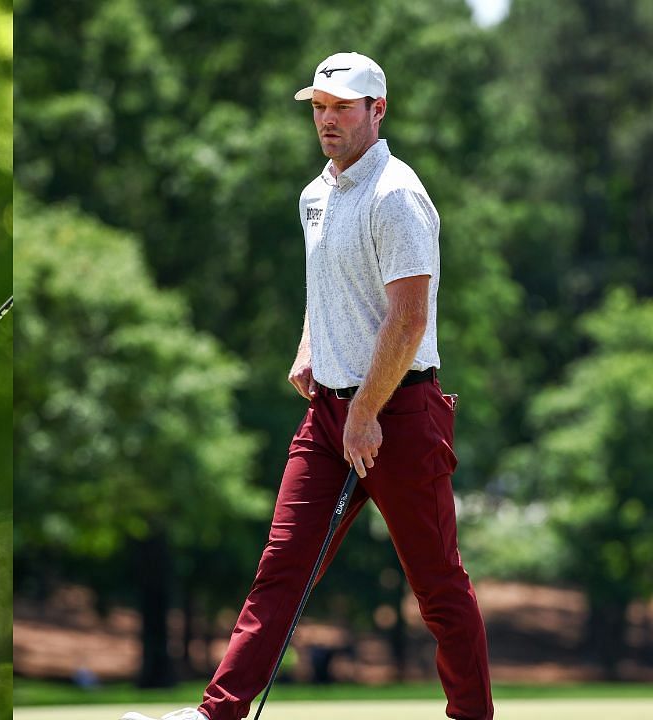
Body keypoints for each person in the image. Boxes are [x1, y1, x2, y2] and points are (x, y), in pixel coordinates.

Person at [121, 52, 493, 720]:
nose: (327, 120)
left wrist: (366, 411)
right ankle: (218, 713)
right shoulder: (315, 195)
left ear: (378, 111)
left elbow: (409, 317)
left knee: (436, 584)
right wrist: (310, 343)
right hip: (330, 414)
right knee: (282, 570)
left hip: (401, 413)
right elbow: (330, 287)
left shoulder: (397, 194)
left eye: (342, 107)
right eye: (318, 107)